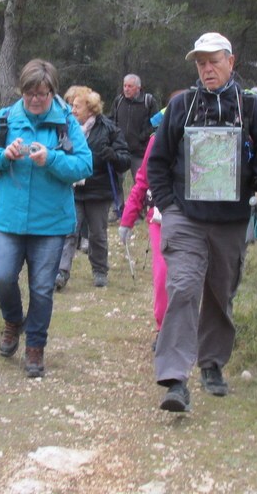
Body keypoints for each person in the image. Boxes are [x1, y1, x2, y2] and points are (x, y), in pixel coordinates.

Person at [147, 32, 257, 413]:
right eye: (200, 63)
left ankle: (211, 363)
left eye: (213, 61)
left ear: (231, 61)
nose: (207, 69)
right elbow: (156, 162)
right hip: (185, 218)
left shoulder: (253, 108)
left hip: (231, 220)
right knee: (183, 287)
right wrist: (168, 206)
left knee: (220, 293)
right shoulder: (181, 106)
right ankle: (175, 378)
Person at [0, 59, 93, 378]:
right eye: (29, 93)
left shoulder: (65, 122)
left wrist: (51, 159)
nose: (35, 99)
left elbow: (84, 165)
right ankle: (13, 321)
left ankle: (35, 346)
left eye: (42, 93)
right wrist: (3, 155)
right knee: (3, 278)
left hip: (51, 224)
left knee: (41, 289)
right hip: (7, 220)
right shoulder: (6, 118)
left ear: (52, 91)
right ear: (21, 91)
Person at [57, 89, 130, 290]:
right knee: (69, 231)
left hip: (99, 190)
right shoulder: (66, 128)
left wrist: (113, 156)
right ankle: (61, 272)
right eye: (71, 106)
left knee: (97, 233)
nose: (72, 110)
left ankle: (100, 270)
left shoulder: (108, 129)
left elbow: (125, 160)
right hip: (72, 189)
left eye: (77, 106)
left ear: (90, 109)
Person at [117, 106, 167, 340]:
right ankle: (163, 328)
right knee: (163, 276)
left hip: (197, 219)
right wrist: (127, 220)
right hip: (159, 219)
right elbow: (142, 180)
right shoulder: (156, 141)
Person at [110, 74, 160, 182]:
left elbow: (156, 123)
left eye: (130, 86)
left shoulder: (148, 101)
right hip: (120, 150)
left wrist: (142, 137)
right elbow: (112, 120)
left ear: (138, 88)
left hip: (139, 152)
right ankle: (119, 200)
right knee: (115, 182)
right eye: (125, 86)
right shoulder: (118, 101)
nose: (126, 89)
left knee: (141, 184)